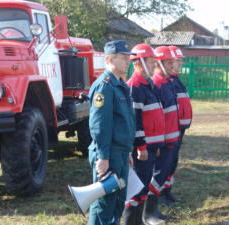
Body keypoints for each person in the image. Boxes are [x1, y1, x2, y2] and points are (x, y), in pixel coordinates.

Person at [88, 40, 135, 225]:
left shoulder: (119, 84)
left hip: (120, 153)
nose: (127, 61)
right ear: (109, 59)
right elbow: (100, 124)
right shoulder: (105, 86)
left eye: (128, 57)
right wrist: (103, 156)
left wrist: (128, 151)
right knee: (104, 204)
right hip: (109, 153)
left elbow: (125, 122)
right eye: (123, 57)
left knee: (117, 202)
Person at [123, 44, 166, 225]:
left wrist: (156, 146)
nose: (154, 66)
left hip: (150, 147)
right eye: (150, 62)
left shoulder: (148, 85)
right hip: (141, 149)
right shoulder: (135, 87)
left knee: (144, 184)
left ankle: (138, 221)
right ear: (139, 63)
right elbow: (135, 122)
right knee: (137, 188)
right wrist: (141, 147)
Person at [147, 46, 180, 222]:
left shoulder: (167, 82)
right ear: (158, 64)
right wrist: (159, 142)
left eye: (172, 63)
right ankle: (149, 212)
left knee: (163, 173)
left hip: (171, 139)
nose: (173, 66)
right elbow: (155, 118)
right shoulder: (157, 84)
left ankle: (153, 209)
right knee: (156, 175)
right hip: (163, 141)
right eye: (169, 63)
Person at [159, 46, 193, 204]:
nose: (178, 64)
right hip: (172, 129)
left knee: (173, 161)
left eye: (178, 61)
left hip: (178, 129)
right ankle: (160, 193)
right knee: (165, 162)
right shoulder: (166, 81)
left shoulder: (175, 79)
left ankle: (167, 190)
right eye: (175, 61)